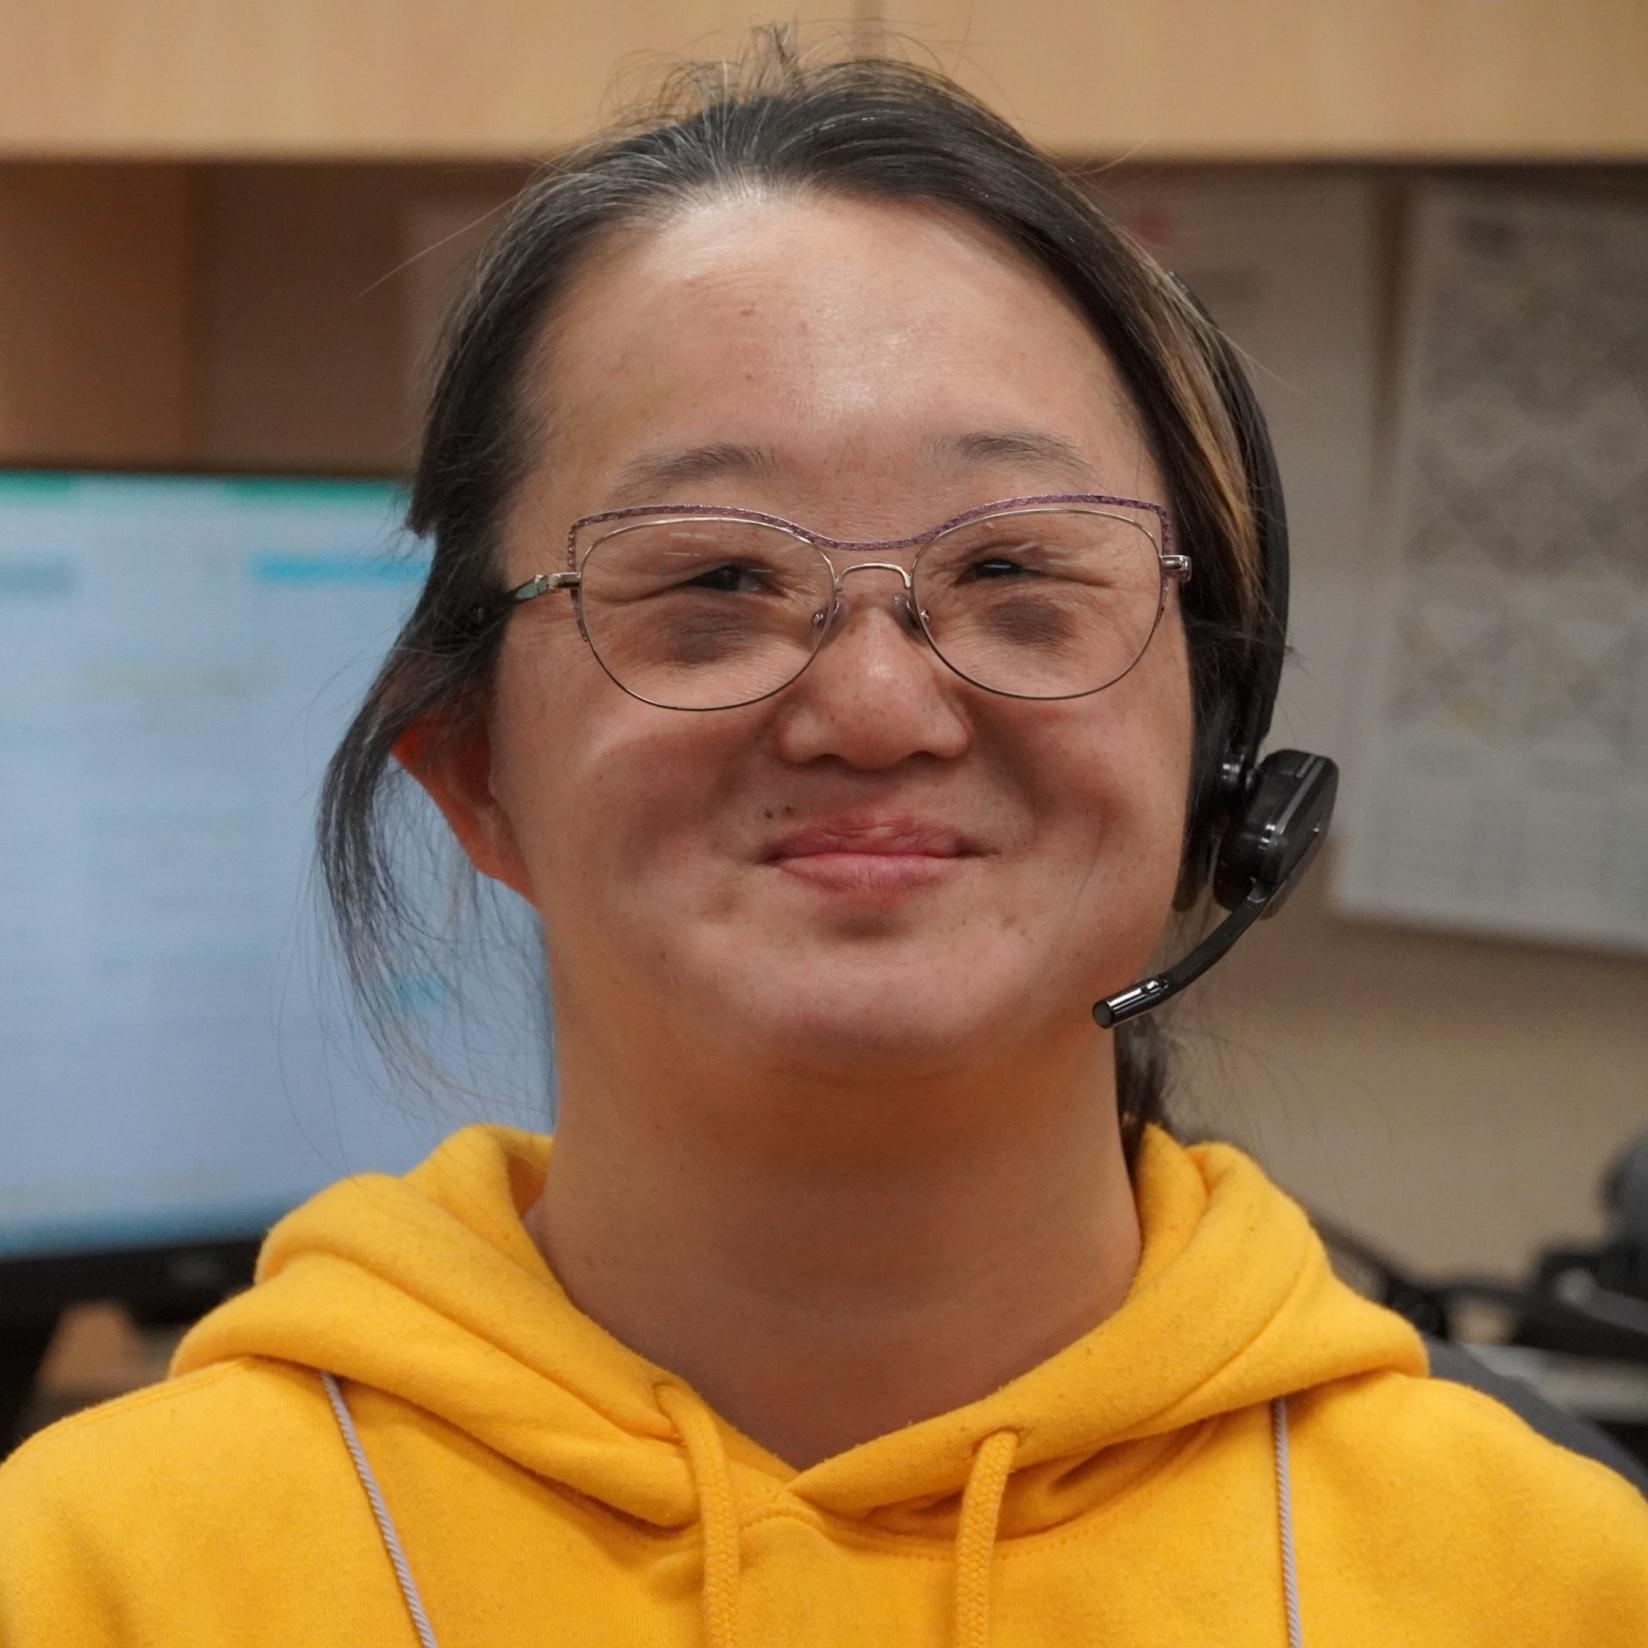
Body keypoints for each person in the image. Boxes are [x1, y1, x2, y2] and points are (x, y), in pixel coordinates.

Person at [3, 37, 1645, 1648]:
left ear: (1218, 745)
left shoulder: (1559, 1585)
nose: (876, 707)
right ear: (471, 768)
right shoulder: (89, 1581)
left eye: (1018, 571)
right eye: (714, 582)